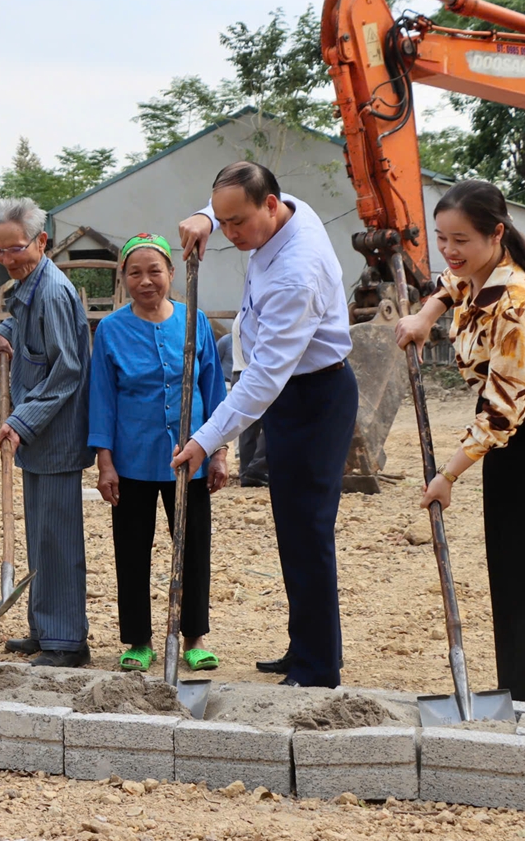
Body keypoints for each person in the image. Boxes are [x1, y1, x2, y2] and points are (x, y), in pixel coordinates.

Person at [172, 162, 357, 688]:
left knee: (309, 529)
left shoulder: (297, 272)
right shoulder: (286, 210)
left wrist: (208, 440)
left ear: (270, 206)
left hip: (314, 396)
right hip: (289, 393)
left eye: (237, 223)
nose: (230, 235)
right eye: (223, 223)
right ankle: (306, 645)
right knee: (291, 527)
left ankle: (319, 667)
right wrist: (204, 218)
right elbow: (233, 203)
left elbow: (263, 380)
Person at [395, 180, 525, 705]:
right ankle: (520, 677)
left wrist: (447, 476)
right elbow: (454, 287)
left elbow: (499, 414)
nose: (450, 252)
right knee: (508, 559)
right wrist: (427, 314)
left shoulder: (521, 308)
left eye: (462, 240)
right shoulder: (476, 277)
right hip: (510, 437)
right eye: (441, 239)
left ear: (496, 234)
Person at [89, 234, 229, 672]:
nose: (146, 281)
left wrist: (219, 451)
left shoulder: (195, 322)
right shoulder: (111, 330)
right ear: (124, 279)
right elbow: (102, 399)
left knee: (192, 547)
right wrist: (105, 461)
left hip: (191, 456)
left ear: (171, 273)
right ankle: (138, 640)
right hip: (132, 458)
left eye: (155, 271)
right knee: (131, 549)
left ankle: (194, 637)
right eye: (135, 272)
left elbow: (214, 388)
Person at [0, 197, 93, 668]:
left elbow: (67, 372)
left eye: (16, 249)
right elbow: (22, 319)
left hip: (55, 436)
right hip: (37, 437)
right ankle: (44, 627)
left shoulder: (53, 291)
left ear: (42, 241)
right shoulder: (31, 284)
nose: (9, 259)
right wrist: (3, 329)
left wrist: (19, 421)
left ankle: (66, 641)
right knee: (40, 536)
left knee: (57, 538)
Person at [216, 318, 268, 487]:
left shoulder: (241, 317)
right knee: (271, 423)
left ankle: (247, 472)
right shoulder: (257, 316)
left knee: (247, 429)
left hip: (239, 372)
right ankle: (257, 467)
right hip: (254, 372)